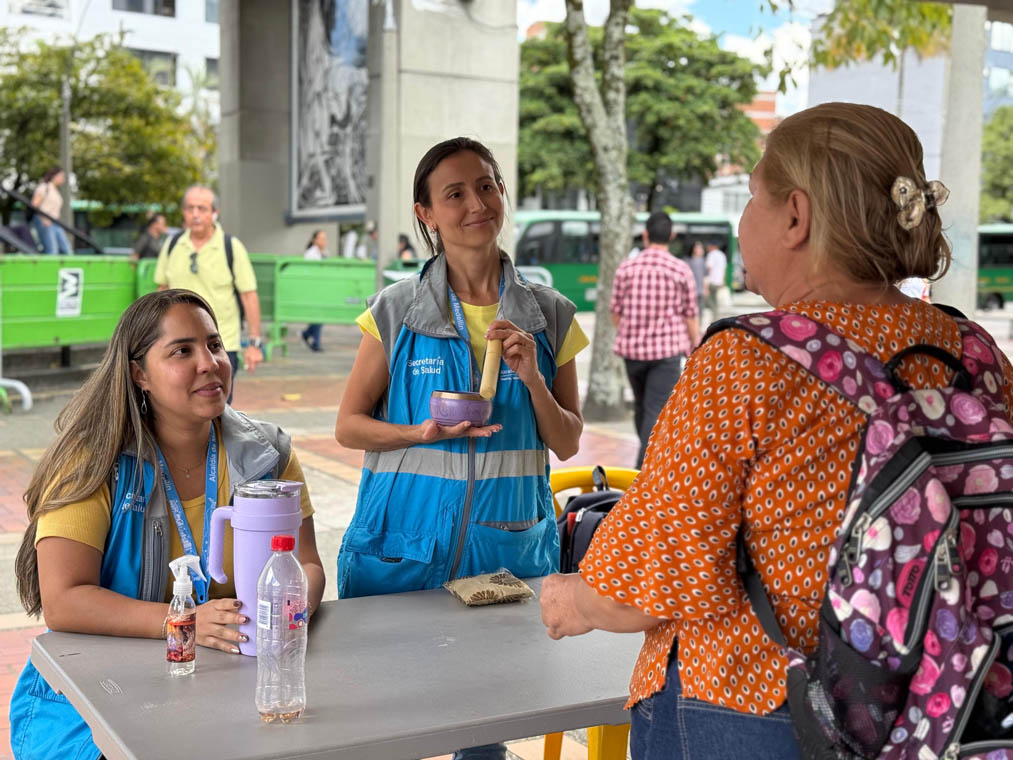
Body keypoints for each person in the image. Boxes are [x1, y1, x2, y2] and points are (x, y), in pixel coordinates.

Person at [538, 102, 1013, 760]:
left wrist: (572, 600)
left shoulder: (748, 360)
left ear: (796, 216)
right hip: (937, 703)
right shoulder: (973, 352)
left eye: (753, 196)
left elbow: (654, 576)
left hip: (756, 708)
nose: (743, 221)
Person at [334, 137, 588, 760]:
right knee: (386, 726)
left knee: (484, 730)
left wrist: (533, 380)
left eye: (486, 186)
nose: (476, 204)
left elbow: (566, 441)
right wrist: (417, 432)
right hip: (402, 547)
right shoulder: (394, 311)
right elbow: (348, 426)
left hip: (504, 552)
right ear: (425, 213)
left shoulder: (551, 315)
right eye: (454, 193)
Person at [9, 289, 325, 760]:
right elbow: (64, 601)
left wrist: (287, 617)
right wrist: (184, 621)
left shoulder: (268, 455)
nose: (209, 364)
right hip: (96, 690)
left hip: (229, 679)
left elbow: (307, 565)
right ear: (140, 374)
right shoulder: (92, 461)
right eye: (182, 351)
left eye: (215, 345)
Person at [153, 185, 264, 404]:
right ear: (183, 212)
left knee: (216, 408)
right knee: (180, 407)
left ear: (214, 212)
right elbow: (161, 291)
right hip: (178, 345)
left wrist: (254, 344)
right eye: (190, 208)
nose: (195, 214)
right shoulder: (172, 245)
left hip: (221, 346)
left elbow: (249, 296)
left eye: (202, 209)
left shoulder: (231, 247)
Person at [611, 212, 699, 468]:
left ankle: (645, 461)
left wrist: (631, 331)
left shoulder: (626, 268)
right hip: (666, 353)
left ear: (646, 234)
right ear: (671, 236)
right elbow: (690, 314)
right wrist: (694, 344)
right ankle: (643, 470)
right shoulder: (680, 269)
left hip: (632, 352)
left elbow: (615, 311)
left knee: (642, 407)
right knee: (656, 410)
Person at [30, 167, 70, 255]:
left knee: (66, 250)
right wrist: (43, 218)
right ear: (54, 176)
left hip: (56, 222)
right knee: (52, 250)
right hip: (45, 221)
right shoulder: (44, 187)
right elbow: (34, 205)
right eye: (61, 176)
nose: (63, 178)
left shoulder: (55, 191)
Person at [301, 229, 327, 352]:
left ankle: (306, 334)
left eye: (325, 238)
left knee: (319, 315)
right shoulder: (311, 254)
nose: (324, 241)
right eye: (321, 238)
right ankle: (315, 342)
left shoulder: (324, 253)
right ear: (314, 240)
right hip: (313, 287)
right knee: (318, 315)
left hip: (320, 287)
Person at [703, 241, 727, 318]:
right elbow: (724, 269)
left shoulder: (711, 254)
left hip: (711, 281)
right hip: (719, 281)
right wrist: (723, 280)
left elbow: (708, 268)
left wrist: (705, 281)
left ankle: (714, 315)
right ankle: (715, 315)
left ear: (712, 246)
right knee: (715, 300)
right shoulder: (722, 255)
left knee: (708, 299)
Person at [687, 240, 706, 317]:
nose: (701, 250)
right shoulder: (688, 261)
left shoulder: (702, 261)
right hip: (691, 290)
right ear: (693, 249)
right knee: (691, 311)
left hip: (700, 290)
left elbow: (704, 276)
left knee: (700, 311)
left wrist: (705, 288)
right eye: (699, 248)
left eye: (701, 248)